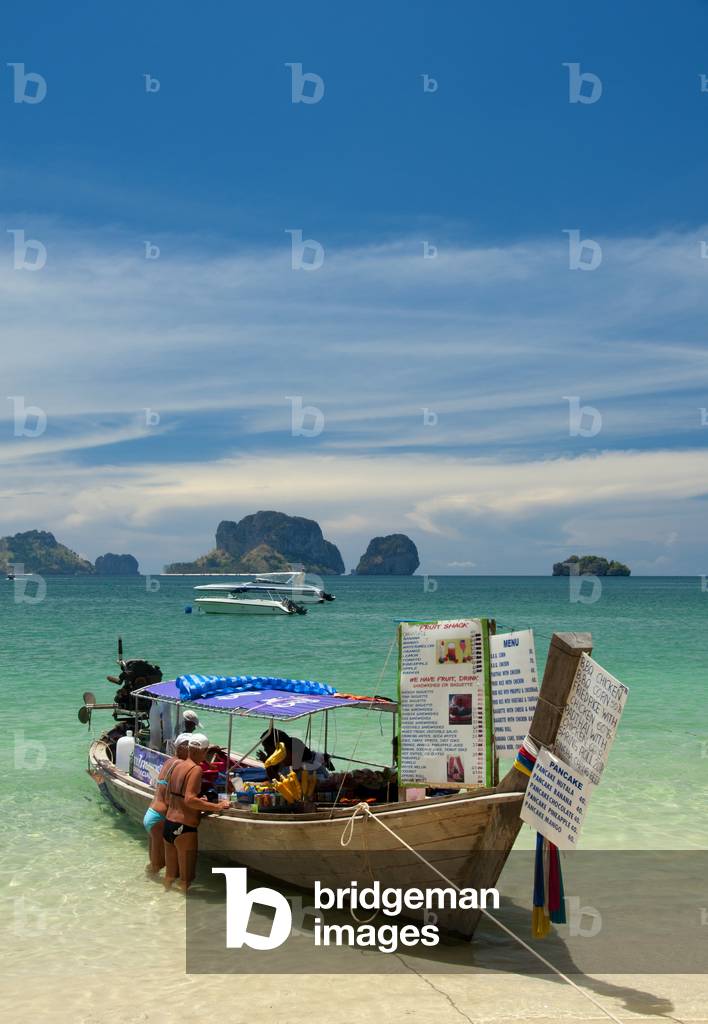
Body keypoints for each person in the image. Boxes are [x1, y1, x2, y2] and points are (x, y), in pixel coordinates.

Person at [163, 733, 230, 892]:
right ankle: (179, 915)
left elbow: (169, 796)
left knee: (170, 876)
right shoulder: (196, 769)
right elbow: (190, 800)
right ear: (203, 751)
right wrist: (218, 806)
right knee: (186, 880)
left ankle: (162, 908)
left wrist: (201, 800)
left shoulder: (177, 765)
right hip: (184, 828)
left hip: (169, 824)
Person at [143, 733, 190, 875]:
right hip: (160, 819)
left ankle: (148, 889)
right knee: (160, 866)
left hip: (152, 814)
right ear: (181, 748)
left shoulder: (170, 761)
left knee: (154, 866)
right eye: (190, 748)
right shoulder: (180, 764)